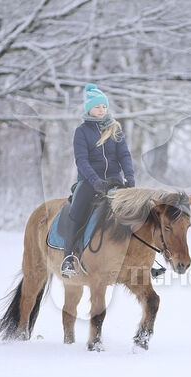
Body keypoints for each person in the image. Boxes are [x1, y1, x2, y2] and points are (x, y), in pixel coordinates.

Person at [61, 83, 136, 278]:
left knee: (134, 212)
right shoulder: (82, 131)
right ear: (89, 109)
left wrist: (129, 176)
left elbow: (124, 155)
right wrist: (94, 181)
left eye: (104, 106)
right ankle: (68, 257)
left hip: (115, 180)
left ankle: (138, 257)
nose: (102, 110)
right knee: (76, 210)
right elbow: (81, 160)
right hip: (89, 180)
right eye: (97, 107)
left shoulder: (115, 129)